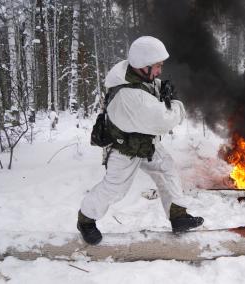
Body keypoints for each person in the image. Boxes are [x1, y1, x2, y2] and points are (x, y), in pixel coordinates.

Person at [77, 36, 204, 245]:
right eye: (157, 66)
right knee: (115, 189)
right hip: (124, 148)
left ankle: (178, 215)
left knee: (167, 169)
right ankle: (86, 220)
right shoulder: (130, 95)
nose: (159, 71)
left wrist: (162, 87)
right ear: (143, 65)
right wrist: (176, 102)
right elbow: (164, 120)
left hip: (145, 143)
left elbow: (150, 86)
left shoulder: (134, 74)